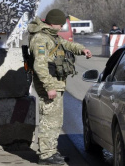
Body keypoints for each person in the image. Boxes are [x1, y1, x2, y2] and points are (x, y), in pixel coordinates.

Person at [28, 9, 92, 165]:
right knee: (49, 120)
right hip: (49, 85)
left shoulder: (51, 36)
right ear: (53, 23)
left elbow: (67, 44)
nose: (63, 27)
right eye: (61, 24)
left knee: (55, 120)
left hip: (56, 84)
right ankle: (45, 156)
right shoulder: (41, 39)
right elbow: (40, 66)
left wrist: (81, 49)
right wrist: (49, 86)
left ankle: (51, 151)